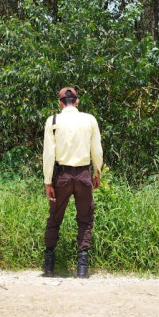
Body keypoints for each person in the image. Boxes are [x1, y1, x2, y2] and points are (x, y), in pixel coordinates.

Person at [42, 87, 103, 278]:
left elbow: (49, 153)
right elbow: (97, 149)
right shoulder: (89, 119)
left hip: (62, 176)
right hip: (84, 173)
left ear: (60, 103)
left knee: (55, 218)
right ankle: (82, 266)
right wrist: (97, 171)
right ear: (77, 101)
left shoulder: (53, 121)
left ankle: (49, 264)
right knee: (85, 219)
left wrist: (47, 181)